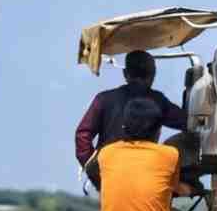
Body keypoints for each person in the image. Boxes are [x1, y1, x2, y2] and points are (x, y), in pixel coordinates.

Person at [96, 98, 202, 211]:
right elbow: (177, 189)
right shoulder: (169, 154)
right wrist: (197, 190)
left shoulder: (106, 153)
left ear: (123, 126)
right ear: (158, 130)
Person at [75, 50, 186, 190]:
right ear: (153, 75)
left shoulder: (103, 99)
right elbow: (187, 123)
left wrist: (96, 174)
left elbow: (82, 136)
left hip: (110, 176)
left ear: (125, 74)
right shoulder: (159, 101)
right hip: (144, 176)